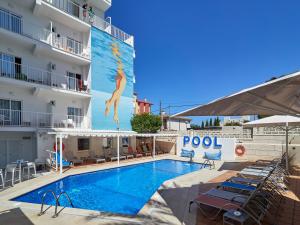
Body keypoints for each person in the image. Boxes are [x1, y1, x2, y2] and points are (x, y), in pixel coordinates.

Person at [105, 43, 127, 124]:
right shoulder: (118, 59)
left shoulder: (118, 60)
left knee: (118, 91)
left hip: (119, 74)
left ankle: (115, 112)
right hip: (120, 73)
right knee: (119, 91)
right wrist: (114, 48)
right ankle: (110, 104)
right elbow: (117, 58)